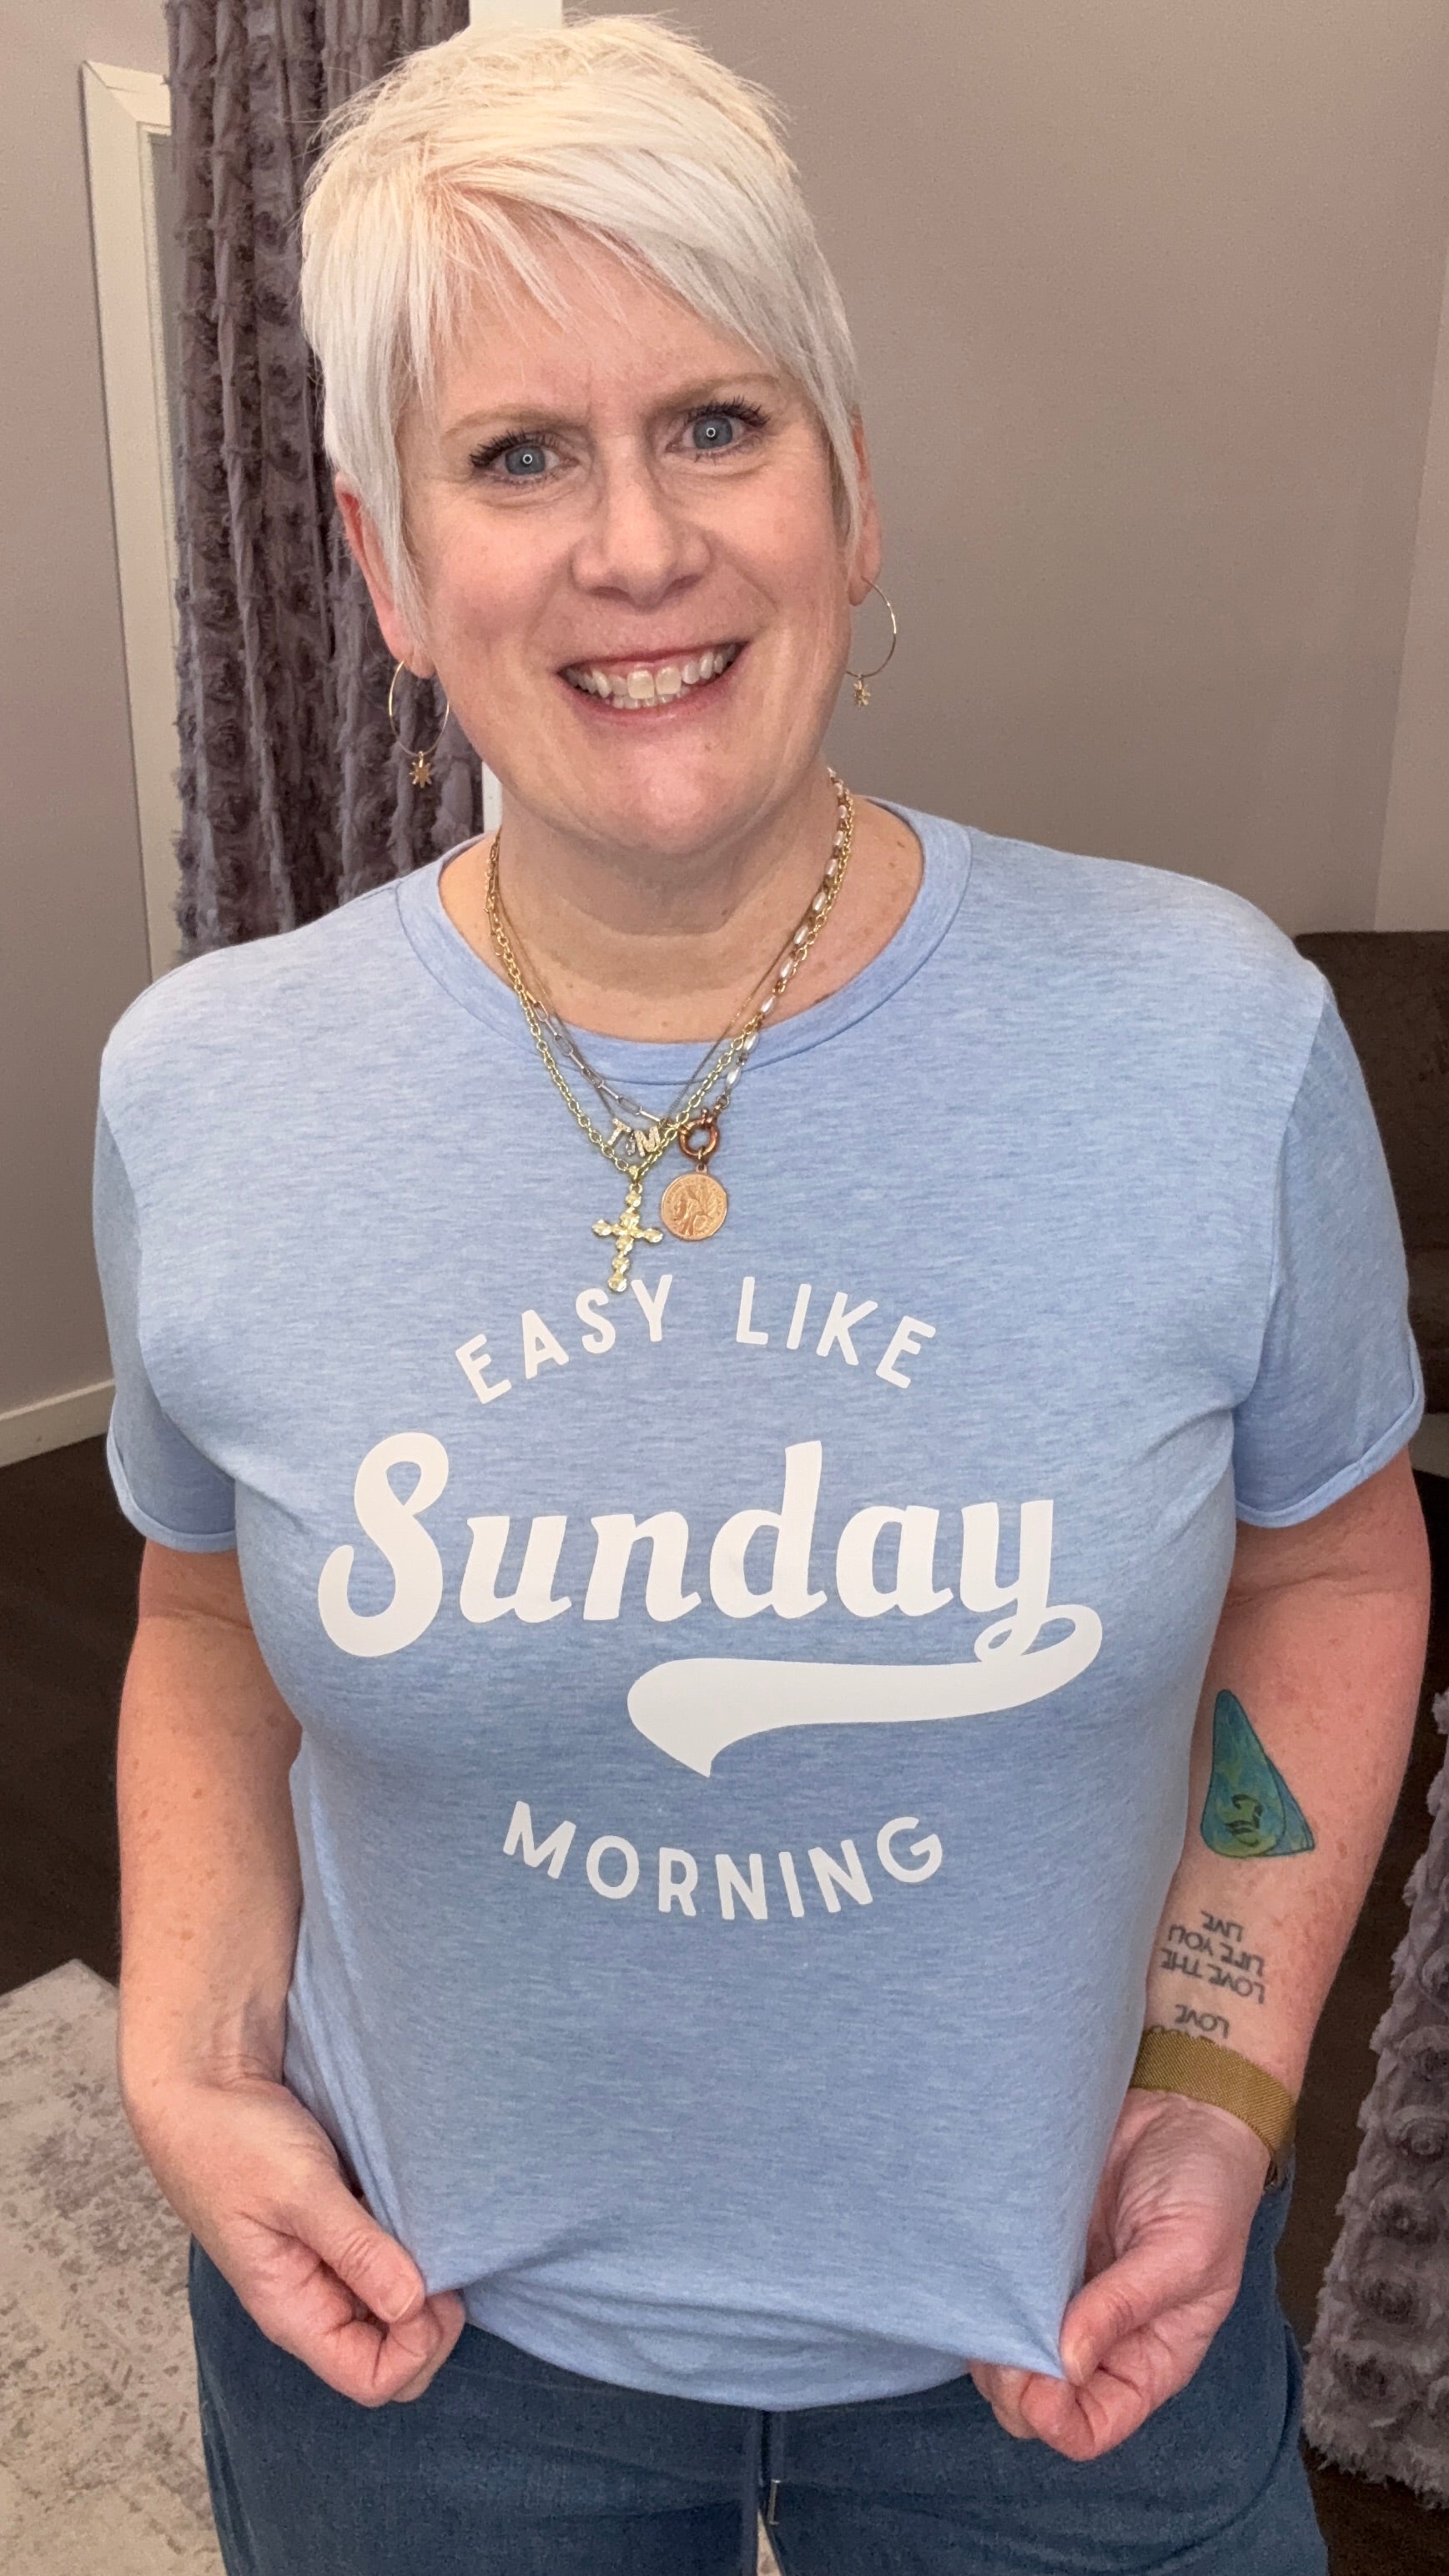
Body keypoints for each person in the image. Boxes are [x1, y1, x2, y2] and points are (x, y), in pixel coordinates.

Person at [93, 19, 1430, 2574]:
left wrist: (1219, 2080)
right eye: (517, 456)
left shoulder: (1206, 1037)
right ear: (387, 565)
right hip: (420, 2355)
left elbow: (1334, 1569)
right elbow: (200, 1618)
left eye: (715, 423)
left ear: (848, 487)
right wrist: (191, 2055)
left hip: (1062, 2344)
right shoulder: (210, 1091)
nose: (636, 546)